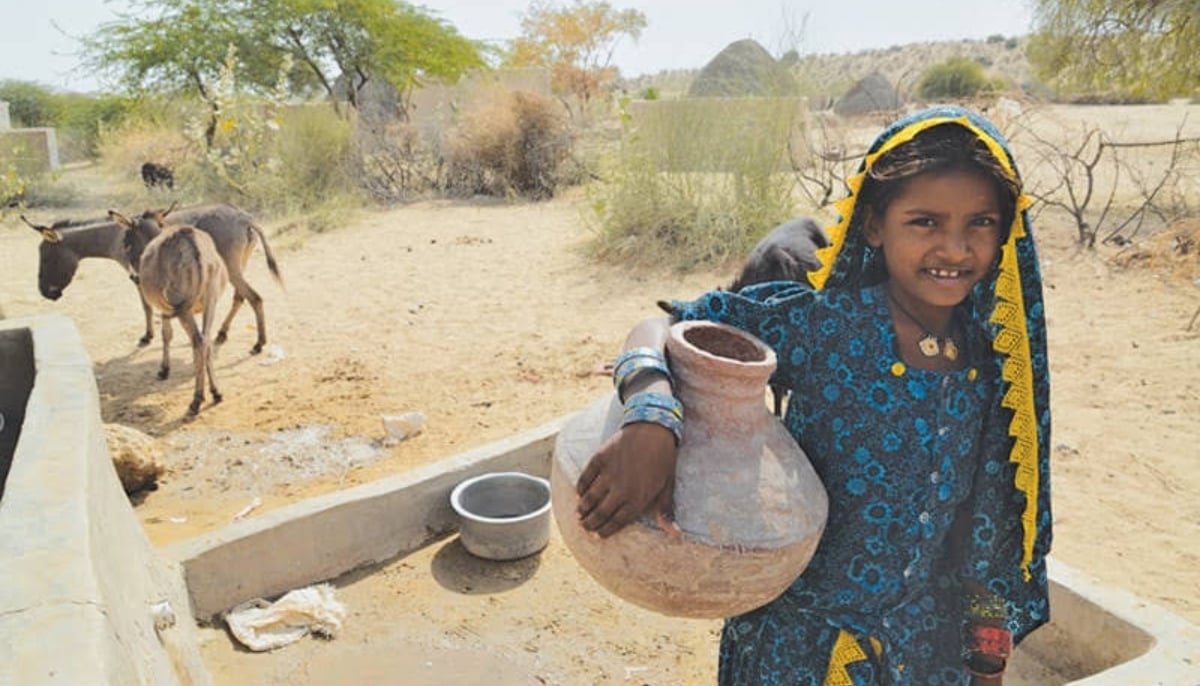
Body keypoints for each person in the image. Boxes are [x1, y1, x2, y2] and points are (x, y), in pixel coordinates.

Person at [575, 106, 1052, 685]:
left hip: (924, 655)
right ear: (875, 225)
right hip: (793, 648)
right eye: (925, 222)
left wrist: (986, 662)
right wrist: (650, 418)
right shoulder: (824, 325)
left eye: (980, 222)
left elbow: (989, 526)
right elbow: (666, 328)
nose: (954, 249)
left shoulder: (989, 360)